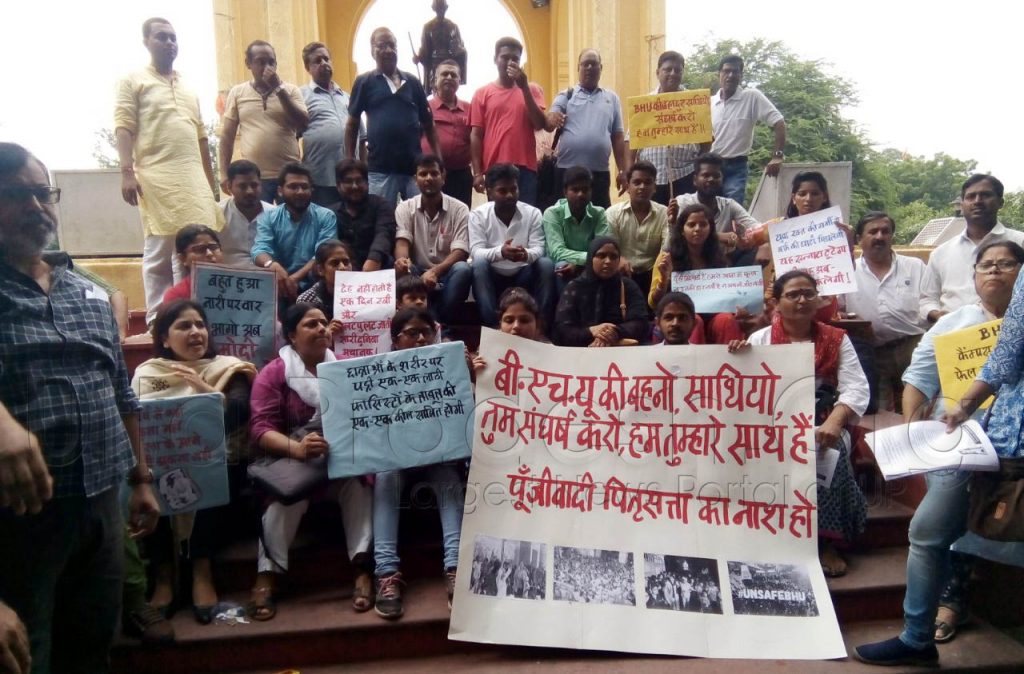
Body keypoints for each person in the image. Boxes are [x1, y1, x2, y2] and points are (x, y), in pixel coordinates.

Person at [0, 142, 160, 673]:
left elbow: (121, 389)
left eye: (43, 194)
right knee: (28, 655)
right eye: (16, 194)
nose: (36, 206)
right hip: (20, 521)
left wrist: (140, 479)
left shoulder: (86, 292)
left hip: (103, 506)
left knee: (91, 645)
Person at [854, 241, 1024, 667]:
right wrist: (929, 425)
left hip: (1008, 443)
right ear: (973, 275)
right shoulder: (955, 324)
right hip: (970, 446)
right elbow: (930, 376)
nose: (996, 272)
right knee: (928, 534)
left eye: (1007, 264)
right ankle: (917, 637)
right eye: (987, 264)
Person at [728, 271, 869, 577]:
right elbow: (745, 387)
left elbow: (856, 388)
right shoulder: (761, 339)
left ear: (818, 299)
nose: (802, 300)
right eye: (793, 295)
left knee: (830, 454)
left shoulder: (837, 339)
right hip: (772, 422)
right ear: (777, 303)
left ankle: (824, 543)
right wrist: (738, 358)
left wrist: (834, 420)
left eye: (808, 293)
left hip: (823, 420)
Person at [131, 300, 257, 625]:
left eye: (200, 325)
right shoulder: (147, 374)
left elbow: (236, 416)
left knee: (207, 471)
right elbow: (137, 425)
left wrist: (203, 391)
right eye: (184, 326)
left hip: (222, 462)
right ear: (164, 338)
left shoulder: (228, 368)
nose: (195, 332)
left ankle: (202, 570)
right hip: (163, 466)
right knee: (151, 475)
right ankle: (163, 576)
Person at [247, 303, 374, 620]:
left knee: (362, 486)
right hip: (292, 465)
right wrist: (298, 449)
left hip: (339, 464)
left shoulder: (345, 369)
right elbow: (260, 429)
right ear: (291, 334)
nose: (322, 329)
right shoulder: (273, 374)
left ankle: (362, 569)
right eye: (311, 324)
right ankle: (267, 575)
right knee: (281, 503)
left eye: (323, 323)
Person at [115, 17, 223, 325]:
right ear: (146, 42)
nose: (169, 43)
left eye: (173, 38)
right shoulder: (133, 80)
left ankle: (193, 316)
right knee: (160, 250)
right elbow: (123, 127)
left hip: (193, 180)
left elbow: (202, 138)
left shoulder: (188, 87)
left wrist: (210, 181)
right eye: (162, 37)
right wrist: (127, 171)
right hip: (156, 176)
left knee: (193, 249)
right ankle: (156, 321)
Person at [373, 307, 465, 619]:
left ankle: (454, 568)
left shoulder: (451, 367)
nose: (421, 338)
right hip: (394, 458)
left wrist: (470, 375)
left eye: (426, 331)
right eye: (412, 333)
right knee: (385, 477)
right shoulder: (377, 373)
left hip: (439, 456)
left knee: (448, 478)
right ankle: (386, 574)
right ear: (396, 340)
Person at [346, 28, 441, 206]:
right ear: (372, 51)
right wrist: (350, 162)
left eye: (392, 45)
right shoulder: (364, 82)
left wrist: (438, 160)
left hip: (414, 170)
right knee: (382, 221)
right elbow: (352, 125)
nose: (388, 50)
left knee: (420, 219)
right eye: (382, 46)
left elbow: (429, 125)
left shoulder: (412, 82)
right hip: (380, 171)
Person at [845, 211, 927, 412]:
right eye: (873, 232)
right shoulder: (846, 272)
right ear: (859, 239)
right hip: (873, 351)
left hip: (914, 348)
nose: (880, 236)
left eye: (885, 231)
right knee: (878, 412)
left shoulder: (915, 267)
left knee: (917, 408)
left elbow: (929, 300)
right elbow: (837, 311)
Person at [920, 174, 1024, 324]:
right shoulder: (941, 253)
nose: (977, 201)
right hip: (957, 337)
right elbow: (927, 299)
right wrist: (937, 315)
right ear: (962, 205)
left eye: (985, 195)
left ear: (1000, 202)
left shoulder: (1020, 242)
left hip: (1012, 334)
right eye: (970, 196)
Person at [220, 40, 309, 204]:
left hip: (288, 177)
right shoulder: (238, 93)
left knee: (290, 225)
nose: (267, 67)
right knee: (258, 226)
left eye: (271, 62)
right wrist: (224, 173)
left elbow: (303, 123)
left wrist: (278, 90)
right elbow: (227, 136)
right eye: (260, 62)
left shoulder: (291, 90)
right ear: (248, 64)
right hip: (254, 180)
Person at [469, 163, 554, 327]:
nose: (509, 195)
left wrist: (525, 255)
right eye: (502, 191)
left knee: (545, 264)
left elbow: (539, 248)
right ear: (490, 192)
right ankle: (493, 327)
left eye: (513, 189)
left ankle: (541, 327)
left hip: (523, 272)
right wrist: (501, 252)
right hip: (492, 274)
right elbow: (476, 252)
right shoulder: (478, 215)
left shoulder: (533, 213)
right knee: (478, 264)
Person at [470, 37, 550, 206]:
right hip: (495, 168)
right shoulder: (481, 93)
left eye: (515, 58)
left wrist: (524, 87)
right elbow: (476, 135)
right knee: (497, 221)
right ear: (495, 59)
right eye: (505, 57)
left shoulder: (532, 89)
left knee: (526, 219)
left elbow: (539, 124)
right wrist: (477, 173)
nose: (510, 62)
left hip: (526, 169)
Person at [394, 154, 472, 323]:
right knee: (405, 270)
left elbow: (460, 251)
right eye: (423, 174)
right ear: (416, 179)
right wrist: (403, 261)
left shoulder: (460, 209)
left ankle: (440, 325)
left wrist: (436, 271)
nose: (428, 178)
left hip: (447, 272)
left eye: (434, 173)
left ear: (443, 177)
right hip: (417, 271)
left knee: (463, 270)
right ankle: (433, 326)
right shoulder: (405, 208)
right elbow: (402, 242)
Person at [547, 49, 628, 207]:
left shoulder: (612, 99)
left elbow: (617, 137)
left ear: (601, 68)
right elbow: (549, 123)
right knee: (565, 220)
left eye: (594, 64)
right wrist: (553, 118)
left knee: (599, 221)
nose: (590, 68)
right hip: (567, 171)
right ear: (578, 68)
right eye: (585, 64)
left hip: (599, 173)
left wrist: (622, 170)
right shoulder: (565, 96)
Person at [251, 163, 337, 301]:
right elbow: (259, 250)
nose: (300, 192)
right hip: (279, 285)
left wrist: (294, 278)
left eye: (304, 187)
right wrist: (272, 265)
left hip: (317, 286)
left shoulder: (326, 216)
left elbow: (323, 254)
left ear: (311, 189)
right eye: (293, 186)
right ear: (280, 190)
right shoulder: (268, 217)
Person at [631, 51, 709, 205]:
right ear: (658, 72)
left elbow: (706, 140)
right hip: (652, 178)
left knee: (686, 222)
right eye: (668, 69)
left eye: (678, 70)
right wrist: (629, 173)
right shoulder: (645, 104)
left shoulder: (694, 102)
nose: (673, 74)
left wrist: (697, 167)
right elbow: (631, 141)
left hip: (685, 175)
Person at [710, 54, 786, 205]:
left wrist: (777, 156)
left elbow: (779, 123)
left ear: (741, 75)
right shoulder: (710, 102)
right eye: (726, 71)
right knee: (709, 210)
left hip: (736, 167)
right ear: (719, 74)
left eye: (735, 72)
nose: (730, 75)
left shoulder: (751, 97)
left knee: (732, 210)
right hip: (711, 166)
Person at [299, 42, 365, 207]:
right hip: (320, 179)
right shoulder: (301, 96)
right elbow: (292, 135)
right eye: (317, 61)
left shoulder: (347, 97)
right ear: (308, 68)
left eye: (326, 59)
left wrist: (364, 170)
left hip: (350, 180)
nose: (324, 63)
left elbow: (362, 137)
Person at [553, 236, 649, 347]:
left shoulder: (628, 287)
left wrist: (614, 332)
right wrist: (591, 331)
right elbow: (561, 332)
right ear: (591, 258)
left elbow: (641, 324)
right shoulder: (575, 288)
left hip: (621, 356)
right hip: (581, 357)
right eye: (601, 256)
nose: (608, 261)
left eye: (613, 257)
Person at [670, 153, 758, 252]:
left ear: (722, 179)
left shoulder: (729, 205)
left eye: (716, 176)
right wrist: (718, 237)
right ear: (695, 180)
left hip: (725, 263)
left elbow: (756, 227)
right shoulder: (682, 202)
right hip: (691, 262)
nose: (711, 179)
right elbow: (677, 237)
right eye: (706, 175)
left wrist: (763, 245)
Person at [606, 160, 669, 298]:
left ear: (654, 187)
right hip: (622, 273)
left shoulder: (665, 213)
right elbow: (610, 247)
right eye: (637, 182)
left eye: (648, 183)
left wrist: (674, 223)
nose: (642, 187)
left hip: (653, 273)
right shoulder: (613, 213)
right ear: (628, 187)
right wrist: (619, 259)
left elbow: (666, 249)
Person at [542, 166, 610, 294]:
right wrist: (589, 259)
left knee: (607, 266)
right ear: (565, 191)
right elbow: (557, 252)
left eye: (585, 190)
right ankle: (565, 311)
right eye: (575, 189)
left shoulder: (599, 213)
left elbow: (602, 249)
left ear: (591, 191)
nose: (580, 194)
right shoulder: (552, 213)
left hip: (590, 264)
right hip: (562, 263)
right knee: (561, 266)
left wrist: (579, 264)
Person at [649, 203, 728, 309]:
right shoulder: (667, 258)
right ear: (682, 230)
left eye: (703, 224)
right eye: (691, 225)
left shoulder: (719, 256)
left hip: (714, 312)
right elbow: (653, 303)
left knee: (726, 320)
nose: (697, 229)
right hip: (680, 314)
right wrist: (664, 280)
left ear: (711, 229)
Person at [421, 60, 473, 207]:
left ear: (459, 81)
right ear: (435, 79)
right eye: (444, 74)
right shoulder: (424, 107)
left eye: (454, 75)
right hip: (431, 174)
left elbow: (477, 139)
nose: (449, 77)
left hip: (461, 175)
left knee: (460, 216)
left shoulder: (470, 108)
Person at [333, 159, 397, 271]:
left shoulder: (381, 205)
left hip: (378, 267)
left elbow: (384, 233)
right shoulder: (331, 213)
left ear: (367, 183)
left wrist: (374, 258)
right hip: (343, 271)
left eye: (359, 181)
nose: (354, 186)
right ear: (338, 186)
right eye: (348, 181)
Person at [219, 160, 271, 267]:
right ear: (229, 186)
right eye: (242, 186)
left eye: (254, 185)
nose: (250, 191)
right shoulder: (217, 214)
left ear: (261, 185)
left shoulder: (274, 214)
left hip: (267, 277)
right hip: (227, 278)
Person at [296, 239, 355, 330]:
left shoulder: (365, 295)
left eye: (346, 262)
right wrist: (326, 333)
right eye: (335, 263)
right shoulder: (307, 300)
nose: (343, 267)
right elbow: (305, 340)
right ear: (321, 270)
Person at [162, 225, 223, 304]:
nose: (209, 253)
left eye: (214, 247)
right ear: (183, 258)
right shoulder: (176, 296)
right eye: (200, 249)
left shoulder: (239, 287)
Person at [414, 0, 467, 90]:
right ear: (434, 9)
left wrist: (461, 51)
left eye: (442, 8)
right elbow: (425, 48)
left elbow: (459, 47)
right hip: (433, 64)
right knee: (435, 89)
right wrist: (419, 57)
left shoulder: (453, 26)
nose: (440, 11)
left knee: (449, 87)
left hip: (449, 62)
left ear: (446, 8)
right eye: (438, 8)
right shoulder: (428, 27)